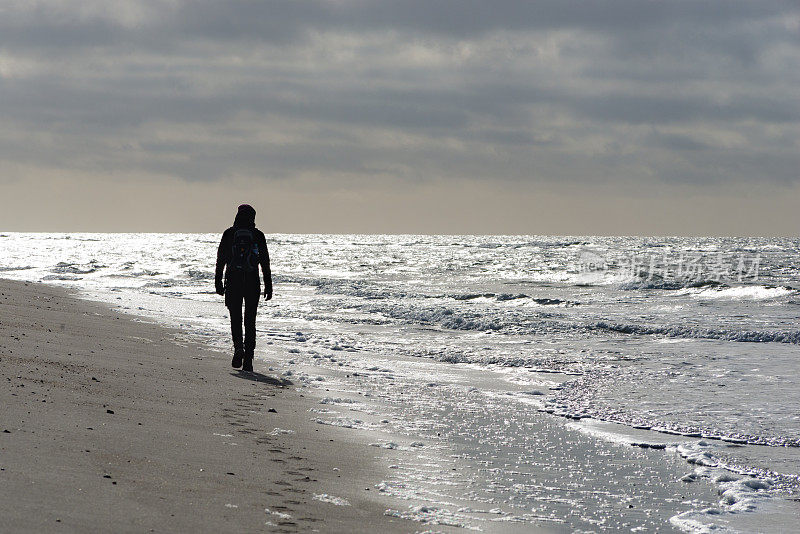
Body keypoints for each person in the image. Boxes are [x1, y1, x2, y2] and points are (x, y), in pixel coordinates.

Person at [215, 204, 272, 372]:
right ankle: (248, 357)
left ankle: (238, 348)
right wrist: (268, 284)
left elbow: (221, 259)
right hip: (252, 281)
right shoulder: (258, 235)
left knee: (236, 318)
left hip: (233, 280)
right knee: (250, 320)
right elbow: (265, 262)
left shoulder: (229, 234)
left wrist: (218, 280)